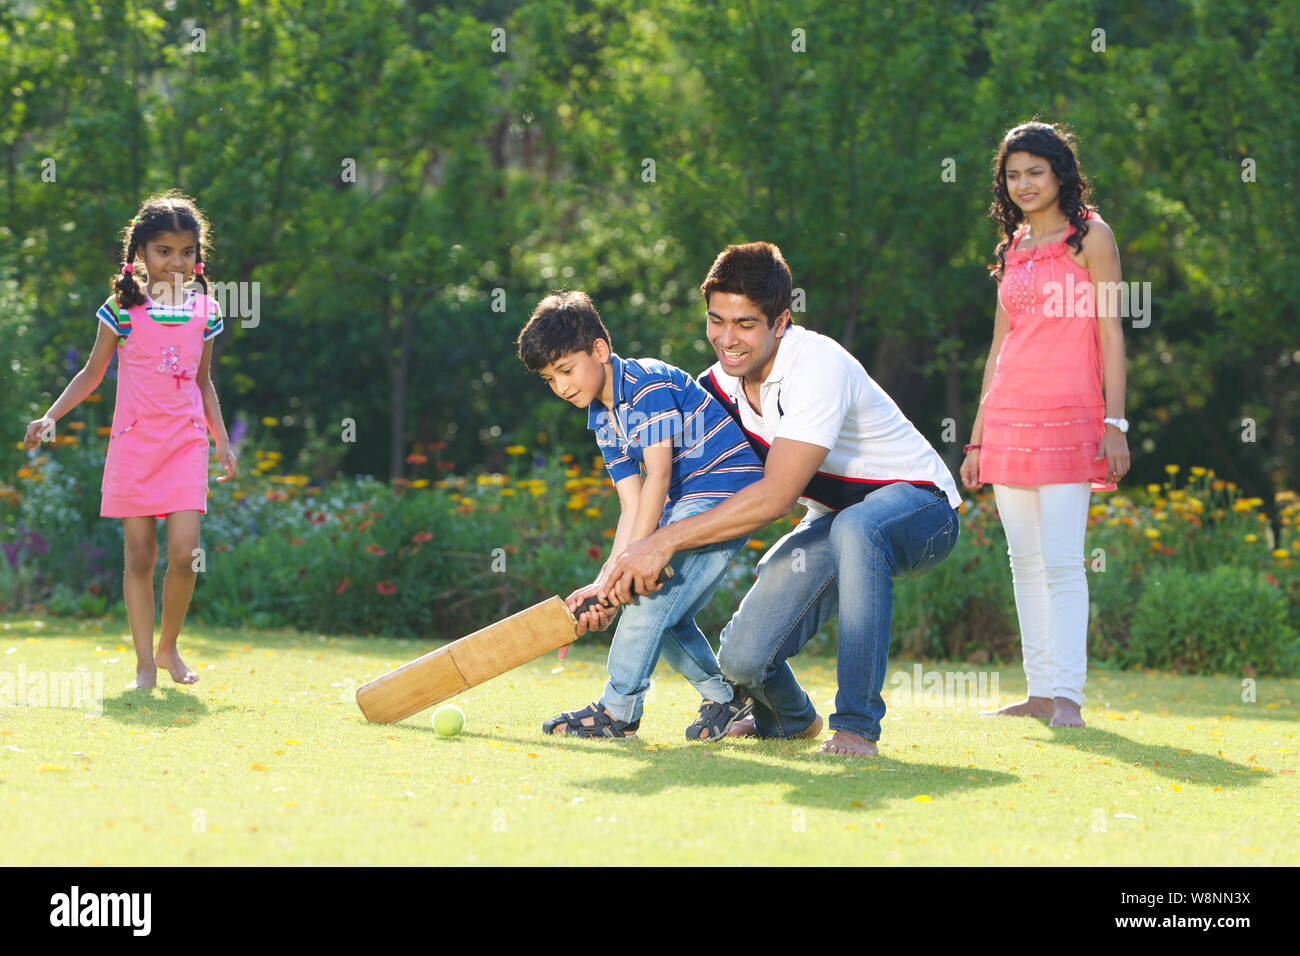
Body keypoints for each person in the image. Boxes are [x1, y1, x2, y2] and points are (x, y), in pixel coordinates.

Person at [602, 242, 962, 757]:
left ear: (781, 321)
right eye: (716, 320)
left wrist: (662, 543)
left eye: (745, 324)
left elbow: (775, 495)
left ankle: (857, 727)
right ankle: (789, 718)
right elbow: (687, 490)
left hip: (923, 513)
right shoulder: (714, 388)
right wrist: (616, 575)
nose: (727, 340)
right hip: (835, 523)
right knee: (743, 660)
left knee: (857, 529)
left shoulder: (817, 366)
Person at [516, 291, 765, 740]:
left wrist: (627, 572)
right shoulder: (602, 416)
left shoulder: (646, 383)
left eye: (567, 370)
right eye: (551, 379)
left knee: (642, 594)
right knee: (651, 599)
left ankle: (618, 711)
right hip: (684, 500)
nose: (562, 387)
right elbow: (631, 504)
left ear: (599, 350)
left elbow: (659, 477)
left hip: (722, 492)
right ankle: (727, 698)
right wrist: (606, 579)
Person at [23, 193, 237, 690]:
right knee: (140, 556)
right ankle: (144, 663)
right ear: (140, 252)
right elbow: (91, 373)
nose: (176, 262)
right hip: (135, 446)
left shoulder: (205, 310)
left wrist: (222, 440)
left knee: (184, 554)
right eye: (164, 251)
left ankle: (169, 648)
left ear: (197, 256)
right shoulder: (120, 308)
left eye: (186, 252)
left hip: (186, 445)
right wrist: (50, 416)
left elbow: (202, 382)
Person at [960, 121, 1131, 728]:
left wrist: (1116, 422)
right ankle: (1037, 693)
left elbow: (1112, 331)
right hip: (1007, 417)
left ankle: (1068, 699)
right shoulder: (1012, 248)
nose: (1024, 183)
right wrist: (977, 435)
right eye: (1013, 174)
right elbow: (998, 347)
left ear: (1060, 172)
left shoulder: (1091, 238)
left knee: (1062, 561)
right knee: (1023, 562)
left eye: (1036, 171)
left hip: (1073, 416)